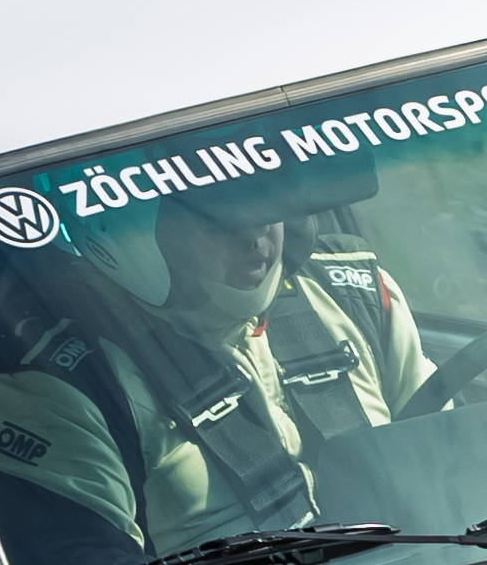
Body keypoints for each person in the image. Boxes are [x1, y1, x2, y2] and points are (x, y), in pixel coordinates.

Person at [150, 196, 433, 463]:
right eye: (220, 213)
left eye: (266, 199)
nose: (254, 233)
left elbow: (439, 443)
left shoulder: (352, 289)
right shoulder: (130, 364)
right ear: (165, 230)